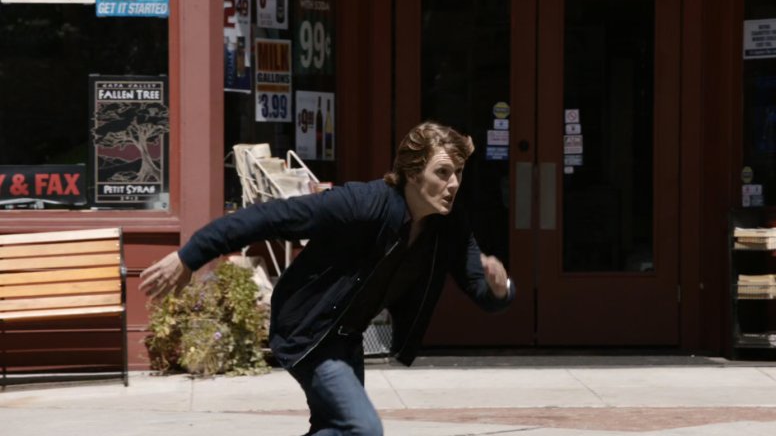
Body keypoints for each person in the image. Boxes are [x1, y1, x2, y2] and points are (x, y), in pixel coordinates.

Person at [139, 121, 515, 435]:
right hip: (307, 327)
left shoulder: (448, 226)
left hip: (345, 337)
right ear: (414, 173)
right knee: (364, 430)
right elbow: (267, 218)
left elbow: (479, 290)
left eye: (459, 173)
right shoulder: (363, 203)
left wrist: (499, 287)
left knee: (335, 429)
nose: (453, 184)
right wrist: (189, 256)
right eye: (443, 172)